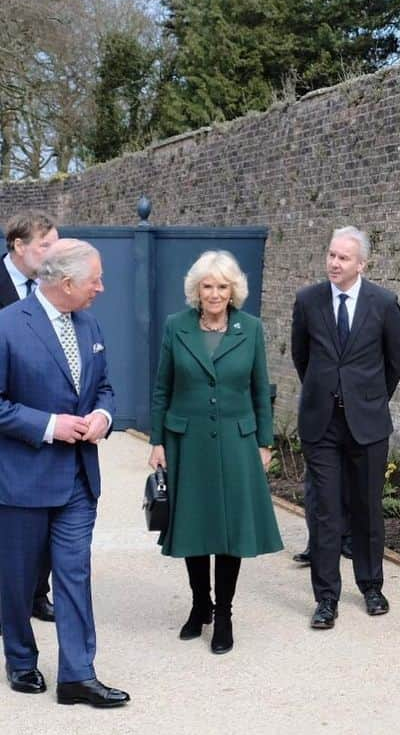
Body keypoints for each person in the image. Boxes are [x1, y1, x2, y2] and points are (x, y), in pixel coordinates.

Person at [0, 238, 127, 707]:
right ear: (67, 282)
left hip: (78, 480)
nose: (101, 287)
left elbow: (106, 388)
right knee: (17, 579)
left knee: (74, 573)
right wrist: (50, 425)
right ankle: (20, 659)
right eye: (95, 278)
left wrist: (103, 418)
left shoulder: (89, 323)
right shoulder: (7, 326)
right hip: (22, 481)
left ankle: (77, 674)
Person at [148, 251, 283, 654]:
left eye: (222, 286)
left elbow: (261, 389)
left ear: (233, 290)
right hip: (185, 441)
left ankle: (223, 614)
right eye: (208, 286)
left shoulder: (251, 328)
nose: (214, 293)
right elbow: (162, 388)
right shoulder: (177, 327)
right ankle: (199, 605)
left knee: (229, 532)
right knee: (195, 526)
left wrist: (264, 442)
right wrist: (156, 441)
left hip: (237, 441)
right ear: (197, 289)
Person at [291, 226, 400, 629]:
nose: (334, 263)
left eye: (343, 258)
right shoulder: (308, 302)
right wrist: (327, 393)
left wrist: (367, 399)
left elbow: (395, 362)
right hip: (321, 424)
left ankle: (372, 585)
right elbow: (301, 357)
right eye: (331, 255)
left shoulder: (384, 303)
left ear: (362, 264)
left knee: (367, 508)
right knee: (325, 512)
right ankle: (326, 600)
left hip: (368, 424)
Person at [0, 211, 60, 628]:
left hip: (44, 423)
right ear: (19, 246)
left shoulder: (54, 290)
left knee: (45, 511)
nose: (53, 254)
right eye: (46, 245)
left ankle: (38, 593)